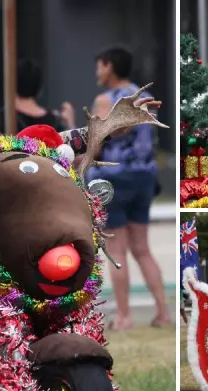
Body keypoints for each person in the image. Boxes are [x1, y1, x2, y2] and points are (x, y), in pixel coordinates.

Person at [89, 46, 169, 330]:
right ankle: (163, 312)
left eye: (100, 65)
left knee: (117, 250)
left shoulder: (105, 100)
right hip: (145, 176)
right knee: (142, 248)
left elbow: (96, 144)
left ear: (109, 66)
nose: (97, 71)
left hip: (114, 177)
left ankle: (124, 316)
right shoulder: (143, 95)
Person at [0, 58, 76, 137]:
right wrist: (71, 125)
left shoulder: (4, 119)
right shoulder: (56, 121)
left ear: (11, 85)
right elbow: (74, 147)